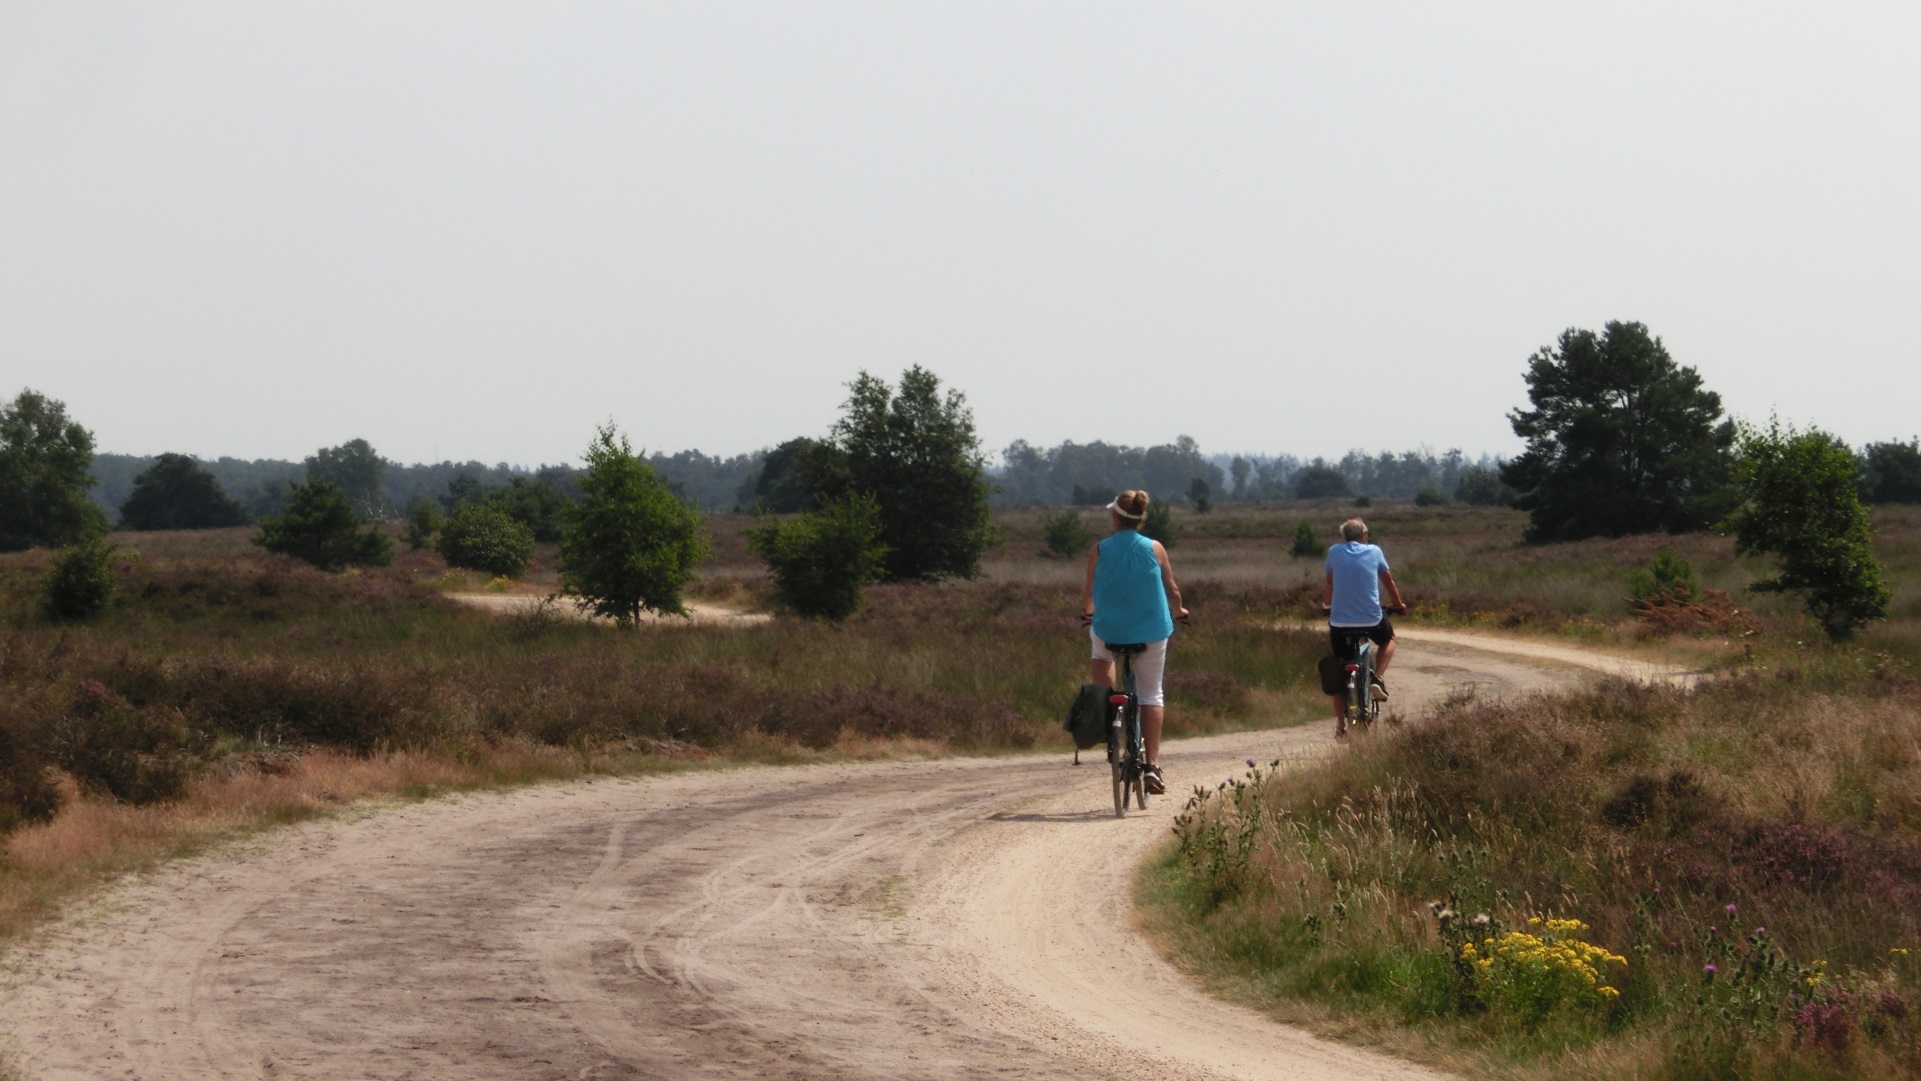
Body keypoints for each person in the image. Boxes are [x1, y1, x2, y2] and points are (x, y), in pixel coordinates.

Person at [1081, 490, 1188, 795]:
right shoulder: (1155, 548)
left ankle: (1107, 710)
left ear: (1115, 517)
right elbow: (1173, 590)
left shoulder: (1099, 549)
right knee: (1151, 693)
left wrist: (1088, 612)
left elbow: (1089, 594)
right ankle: (1152, 765)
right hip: (1151, 631)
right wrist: (1179, 611)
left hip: (1109, 630)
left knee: (1102, 656)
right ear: (1140, 518)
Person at [1323, 518, 1408, 733]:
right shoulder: (1375, 551)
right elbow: (1388, 581)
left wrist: (1326, 606)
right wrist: (1398, 605)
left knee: (1338, 668)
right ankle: (1376, 678)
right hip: (1371, 620)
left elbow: (1330, 583)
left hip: (1340, 623)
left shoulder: (1334, 552)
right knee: (1389, 639)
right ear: (1363, 535)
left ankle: (1341, 726)